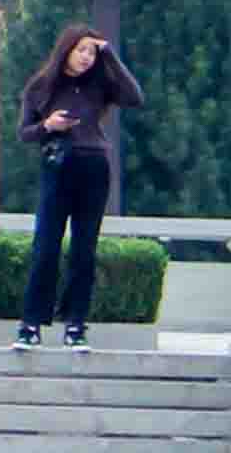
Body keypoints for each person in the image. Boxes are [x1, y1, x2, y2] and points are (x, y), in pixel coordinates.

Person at [11, 25, 144, 348]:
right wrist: (48, 125)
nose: (86, 58)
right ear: (66, 49)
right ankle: (31, 325)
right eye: (81, 50)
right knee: (46, 247)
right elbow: (24, 132)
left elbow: (135, 97)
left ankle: (75, 325)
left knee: (84, 250)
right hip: (58, 166)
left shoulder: (99, 85)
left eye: (91, 53)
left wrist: (109, 53)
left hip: (94, 166)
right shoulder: (42, 86)